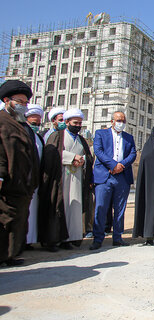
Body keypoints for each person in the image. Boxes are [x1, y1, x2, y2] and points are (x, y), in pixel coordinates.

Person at [40, 109, 93, 250]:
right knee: (59, 207)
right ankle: (53, 240)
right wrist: (72, 158)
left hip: (77, 178)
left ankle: (69, 238)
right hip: (61, 178)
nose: (77, 125)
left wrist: (81, 161)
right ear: (68, 122)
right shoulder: (57, 136)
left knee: (73, 208)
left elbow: (87, 156)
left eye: (80, 123)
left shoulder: (81, 139)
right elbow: (52, 153)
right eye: (75, 123)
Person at [0, 80, 39, 266]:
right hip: (7, 182)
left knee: (18, 221)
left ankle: (10, 255)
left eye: (25, 103)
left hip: (23, 183)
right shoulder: (2, 121)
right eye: (19, 102)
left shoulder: (21, 124)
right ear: (7, 100)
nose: (23, 106)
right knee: (5, 220)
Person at [89, 111, 137, 250]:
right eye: (118, 120)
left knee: (120, 209)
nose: (120, 123)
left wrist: (121, 165)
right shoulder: (100, 134)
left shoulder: (129, 137)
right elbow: (98, 151)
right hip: (104, 176)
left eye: (123, 120)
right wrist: (113, 165)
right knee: (101, 208)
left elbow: (133, 153)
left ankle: (118, 237)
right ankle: (98, 238)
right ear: (112, 121)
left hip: (122, 177)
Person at [24, 104, 46, 250]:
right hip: (24, 180)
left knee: (33, 212)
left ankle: (29, 240)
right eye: (34, 123)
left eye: (38, 123)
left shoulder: (39, 137)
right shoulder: (22, 133)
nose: (37, 126)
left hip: (36, 180)